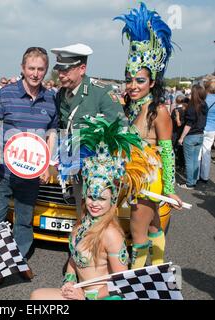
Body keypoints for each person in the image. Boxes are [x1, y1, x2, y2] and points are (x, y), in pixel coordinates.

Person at [31, 117, 154, 300]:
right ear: (84, 196)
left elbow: (123, 282)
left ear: (112, 201)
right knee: (37, 296)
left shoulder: (111, 234)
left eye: (102, 198)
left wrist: (88, 297)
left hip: (102, 297)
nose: (95, 203)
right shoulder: (82, 224)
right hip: (80, 293)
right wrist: (69, 280)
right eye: (91, 197)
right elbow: (74, 259)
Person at [114, 2, 183, 269]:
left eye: (140, 80)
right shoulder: (131, 108)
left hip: (148, 180)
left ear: (153, 82)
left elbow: (167, 152)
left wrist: (169, 190)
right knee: (153, 227)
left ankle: (135, 280)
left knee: (138, 231)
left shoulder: (160, 111)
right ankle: (156, 272)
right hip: (136, 177)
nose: (133, 85)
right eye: (129, 79)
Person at [0, 47, 58, 280]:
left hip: (31, 173)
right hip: (2, 171)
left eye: (40, 69)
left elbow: (52, 133)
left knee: (24, 221)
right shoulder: (5, 94)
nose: (35, 73)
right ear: (23, 68)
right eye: (31, 68)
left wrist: (46, 164)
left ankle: (18, 259)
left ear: (46, 71)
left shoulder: (51, 98)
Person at [50, 43, 127, 216]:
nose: (60, 75)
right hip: (72, 166)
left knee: (99, 220)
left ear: (82, 68)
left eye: (66, 71)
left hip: (98, 172)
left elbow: (121, 128)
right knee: (81, 212)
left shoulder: (100, 92)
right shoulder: (61, 94)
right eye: (59, 70)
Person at [177, 84, 208, 189]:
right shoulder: (204, 105)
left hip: (191, 136)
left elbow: (188, 124)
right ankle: (193, 181)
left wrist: (181, 138)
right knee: (195, 160)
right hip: (200, 135)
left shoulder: (192, 107)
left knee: (190, 161)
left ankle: (190, 183)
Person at [198, 79, 215, 183]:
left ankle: (196, 175)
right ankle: (205, 176)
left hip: (202, 128)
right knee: (207, 153)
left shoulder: (203, 99)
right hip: (212, 129)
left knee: (198, 153)